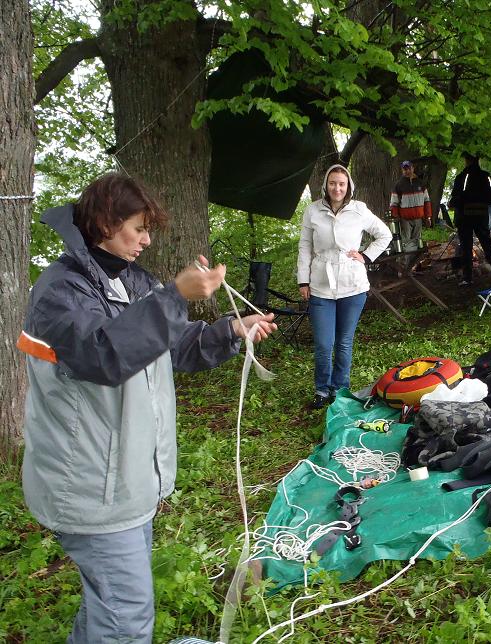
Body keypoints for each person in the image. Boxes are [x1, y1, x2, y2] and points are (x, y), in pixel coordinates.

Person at [17, 172, 276, 643]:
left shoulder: (132, 282)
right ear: (104, 222)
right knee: (125, 620)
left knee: (108, 603)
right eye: (138, 227)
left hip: (126, 484)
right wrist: (175, 295)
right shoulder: (60, 292)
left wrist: (230, 331)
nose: (146, 239)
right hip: (89, 490)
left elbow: (170, 347)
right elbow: (105, 354)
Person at [297, 164, 393, 409]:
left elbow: (384, 234)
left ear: (348, 185)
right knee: (323, 343)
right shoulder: (312, 211)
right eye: (332, 183)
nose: (337, 188)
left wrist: (367, 255)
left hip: (353, 285)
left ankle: (340, 389)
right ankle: (322, 389)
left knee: (344, 342)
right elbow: (305, 246)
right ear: (326, 185)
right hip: (320, 284)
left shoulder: (359, 210)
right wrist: (303, 280)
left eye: (341, 183)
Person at [449, 153, 491, 286]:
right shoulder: (487, 177)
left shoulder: (462, 177)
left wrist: (452, 204)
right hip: (481, 218)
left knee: (466, 248)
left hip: (464, 219)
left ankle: (467, 278)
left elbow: (456, 198)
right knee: (487, 245)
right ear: (478, 160)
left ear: (467, 160)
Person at [389, 160, 432, 251]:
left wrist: (428, 217)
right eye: (404, 169)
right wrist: (395, 217)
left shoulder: (421, 183)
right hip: (405, 220)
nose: (407, 171)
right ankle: (404, 263)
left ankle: (414, 263)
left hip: (418, 219)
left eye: (408, 169)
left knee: (416, 242)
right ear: (402, 171)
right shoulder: (398, 185)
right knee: (406, 242)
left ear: (412, 168)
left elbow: (427, 201)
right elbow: (394, 203)